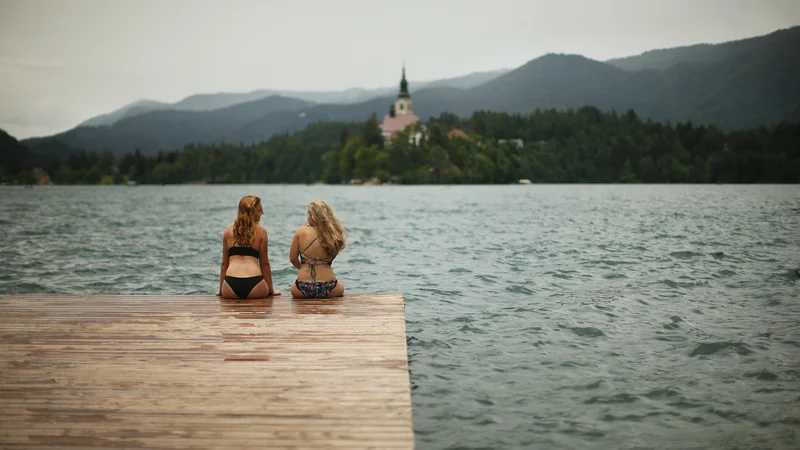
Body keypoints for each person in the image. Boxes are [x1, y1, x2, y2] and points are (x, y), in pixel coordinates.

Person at [217, 195, 281, 299]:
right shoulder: (261, 232)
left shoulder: (227, 231)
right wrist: (271, 290)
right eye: (260, 211)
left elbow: (224, 264)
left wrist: (221, 290)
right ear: (251, 213)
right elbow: (264, 264)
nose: (263, 213)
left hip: (230, 285)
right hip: (255, 283)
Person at [289, 200, 346, 299]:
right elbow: (331, 258)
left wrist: (303, 267)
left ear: (313, 216)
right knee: (340, 286)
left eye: (308, 215)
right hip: (329, 286)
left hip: (302, 287)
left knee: (293, 288)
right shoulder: (335, 232)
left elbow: (293, 258)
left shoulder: (301, 231)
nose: (307, 218)